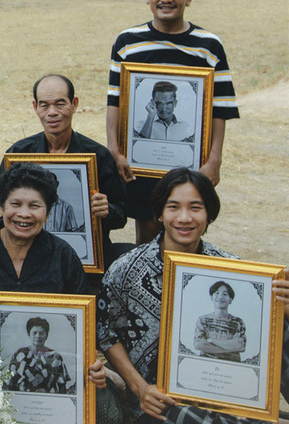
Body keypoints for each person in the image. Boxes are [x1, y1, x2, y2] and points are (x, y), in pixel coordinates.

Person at [97, 168, 289, 424]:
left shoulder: (234, 272)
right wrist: (140, 388)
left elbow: (253, 340)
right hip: (158, 398)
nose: (184, 218)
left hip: (223, 393)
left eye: (195, 208)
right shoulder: (126, 270)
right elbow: (105, 332)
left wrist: (282, 308)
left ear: (209, 214)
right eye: (174, 207)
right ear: (160, 213)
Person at [0, 163, 108, 404]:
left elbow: (83, 329)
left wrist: (91, 363)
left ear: (48, 212)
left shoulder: (63, 256)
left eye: (34, 206)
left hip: (50, 385)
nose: (24, 214)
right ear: (0, 207)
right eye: (15, 204)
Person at [106, 0, 239, 244]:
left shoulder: (209, 45)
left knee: (185, 229)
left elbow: (220, 108)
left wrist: (214, 160)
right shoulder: (127, 42)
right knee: (147, 232)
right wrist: (115, 150)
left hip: (191, 162)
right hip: (141, 162)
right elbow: (115, 101)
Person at [0, 75, 128, 268]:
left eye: (60, 104)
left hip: (78, 254)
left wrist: (106, 210)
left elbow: (120, 215)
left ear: (74, 104)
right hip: (24, 247)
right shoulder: (19, 153)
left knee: (129, 254)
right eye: (44, 105)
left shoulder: (97, 156)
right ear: (35, 107)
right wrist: (18, 224)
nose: (52, 112)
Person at [6, 317, 75, 394]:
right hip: (22, 400)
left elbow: (62, 386)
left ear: (46, 336)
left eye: (41, 333)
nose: (38, 336)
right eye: (34, 333)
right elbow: (11, 382)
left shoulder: (55, 357)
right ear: (29, 334)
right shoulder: (20, 354)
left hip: (49, 401)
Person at [193, 281, 246, 362]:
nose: (220, 296)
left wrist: (211, 340)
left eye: (225, 294)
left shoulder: (238, 322)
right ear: (211, 297)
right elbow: (198, 344)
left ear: (231, 300)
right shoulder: (203, 320)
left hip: (232, 366)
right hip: (206, 364)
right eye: (217, 293)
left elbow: (240, 346)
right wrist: (230, 347)